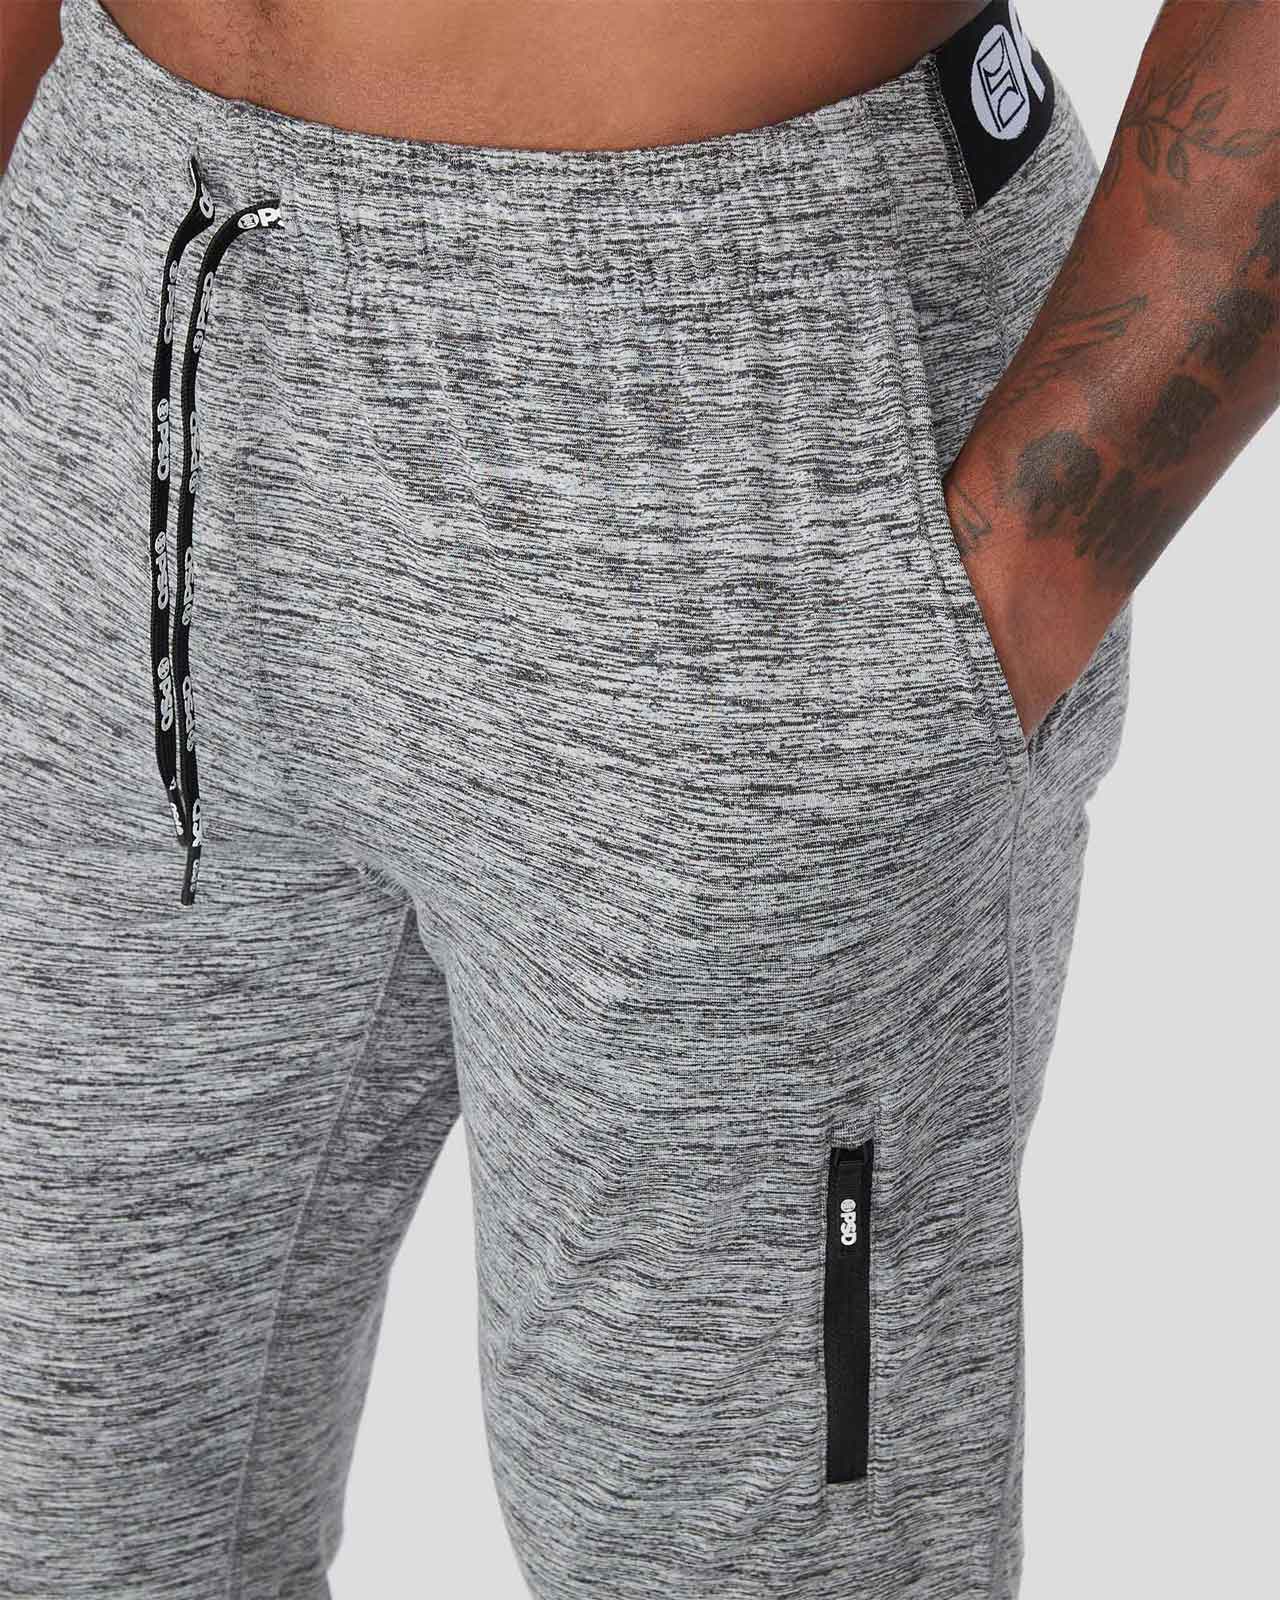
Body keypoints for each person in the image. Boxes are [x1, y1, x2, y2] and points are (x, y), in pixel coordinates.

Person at [0, 1, 1274, 1596]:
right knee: (51, 1513)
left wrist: (1015, 575)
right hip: (104, 287)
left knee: (735, 1553)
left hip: (728, 372)